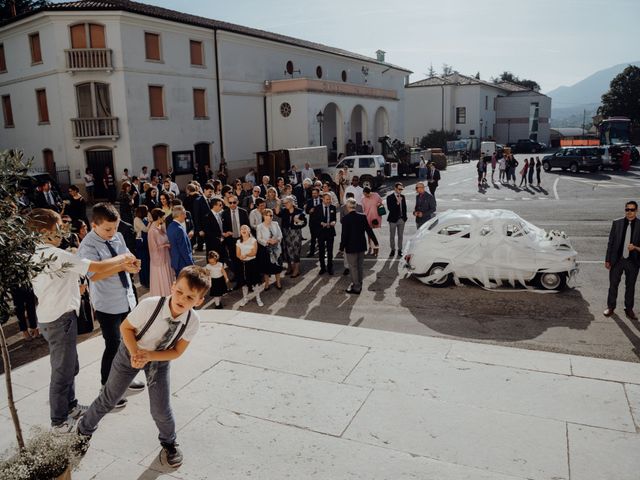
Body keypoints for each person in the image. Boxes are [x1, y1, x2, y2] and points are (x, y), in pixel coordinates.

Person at [77, 266, 211, 467]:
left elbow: (177, 351)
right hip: (130, 351)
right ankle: (83, 431)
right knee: (109, 398)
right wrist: (135, 353)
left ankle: (169, 442)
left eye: (190, 298)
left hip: (159, 359)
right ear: (172, 286)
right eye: (179, 291)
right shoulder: (150, 305)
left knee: (160, 408)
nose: (182, 299)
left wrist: (150, 356)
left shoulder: (192, 321)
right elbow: (126, 328)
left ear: (199, 301)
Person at [29, 208, 138, 432]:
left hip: (56, 317)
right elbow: (95, 269)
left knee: (70, 366)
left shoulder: (39, 254)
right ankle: (58, 420)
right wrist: (122, 259)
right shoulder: (55, 255)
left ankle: (70, 406)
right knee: (62, 371)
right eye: (58, 228)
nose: (62, 232)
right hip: (59, 318)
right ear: (43, 232)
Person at [77, 203, 143, 408]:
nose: (112, 232)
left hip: (127, 297)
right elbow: (94, 275)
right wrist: (120, 264)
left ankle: (126, 379)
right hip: (107, 304)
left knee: (129, 343)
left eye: (115, 228)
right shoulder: (87, 246)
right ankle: (106, 387)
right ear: (93, 224)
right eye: (107, 229)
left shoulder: (118, 236)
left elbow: (127, 258)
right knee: (113, 345)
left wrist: (133, 266)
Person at [604, 201, 640, 320]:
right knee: (613, 285)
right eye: (627, 209)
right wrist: (607, 259)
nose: (629, 212)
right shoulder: (617, 223)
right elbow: (611, 242)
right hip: (617, 261)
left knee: (630, 286)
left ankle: (628, 309)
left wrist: (635, 247)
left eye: (632, 209)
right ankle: (611, 307)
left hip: (633, 262)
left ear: (636, 210)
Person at [340, 198, 378, 294]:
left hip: (351, 246)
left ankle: (356, 287)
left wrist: (341, 247)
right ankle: (359, 283)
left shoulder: (345, 219)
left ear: (348, 207)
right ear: (355, 206)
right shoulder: (362, 217)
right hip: (361, 245)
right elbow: (369, 230)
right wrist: (375, 241)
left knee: (353, 267)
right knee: (360, 266)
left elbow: (344, 235)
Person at [222, 195, 250, 279]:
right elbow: (224, 227)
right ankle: (238, 276)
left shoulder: (243, 212)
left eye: (234, 202)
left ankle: (247, 276)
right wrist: (226, 233)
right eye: (230, 203)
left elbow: (247, 226)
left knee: (245, 259)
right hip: (231, 240)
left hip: (242, 239)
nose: (232, 204)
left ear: (237, 202)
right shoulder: (225, 213)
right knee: (234, 259)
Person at [148, 208, 175, 297]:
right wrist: (165, 245)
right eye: (163, 217)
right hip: (159, 260)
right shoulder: (152, 231)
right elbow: (153, 248)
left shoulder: (160, 227)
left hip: (166, 256)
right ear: (159, 217)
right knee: (162, 279)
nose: (164, 218)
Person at [236, 225, 264, 307]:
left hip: (252, 264)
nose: (243, 230)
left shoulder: (253, 240)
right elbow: (237, 253)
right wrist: (240, 256)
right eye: (241, 229)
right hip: (242, 264)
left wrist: (245, 255)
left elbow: (254, 252)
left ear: (249, 231)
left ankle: (258, 298)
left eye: (245, 228)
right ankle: (245, 298)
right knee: (244, 283)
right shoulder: (238, 241)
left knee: (255, 283)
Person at [279, 196, 306, 277]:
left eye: (286, 203)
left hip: (295, 233)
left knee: (296, 251)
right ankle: (289, 267)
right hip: (286, 232)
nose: (285, 204)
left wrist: (298, 222)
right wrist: (278, 203)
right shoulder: (284, 211)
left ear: (291, 202)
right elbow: (277, 213)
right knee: (287, 250)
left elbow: (304, 223)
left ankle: (296, 270)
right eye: (284, 203)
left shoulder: (299, 211)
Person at [257, 208, 284, 289]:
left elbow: (280, 235)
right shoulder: (260, 226)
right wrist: (267, 241)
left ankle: (278, 282)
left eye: (271, 215)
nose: (270, 217)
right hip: (266, 249)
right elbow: (259, 238)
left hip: (276, 249)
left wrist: (276, 240)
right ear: (264, 216)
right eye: (268, 215)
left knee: (277, 267)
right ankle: (267, 284)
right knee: (266, 268)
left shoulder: (275, 224)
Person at [167, 205, 195, 277]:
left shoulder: (170, 226)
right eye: (184, 214)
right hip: (183, 262)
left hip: (176, 261)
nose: (185, 216)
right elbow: (184, 249)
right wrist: (191, 264)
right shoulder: (179, 229)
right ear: (180, 214)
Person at [315, 193, 337, 275]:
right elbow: (315, 219)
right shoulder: (317, 208)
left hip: (330, 231)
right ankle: (322, 267)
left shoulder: (333, 207)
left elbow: (334, 218)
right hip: (321, 232)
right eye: (327, 199)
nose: (329, 201)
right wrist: (321, 223)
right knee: (321, 251)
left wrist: (334, 222)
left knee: (330, 250)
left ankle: (330, 267)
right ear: (323, 199)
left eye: (330, 199)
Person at [387, 182, 407, 257]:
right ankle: (392, 249)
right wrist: (397, 202)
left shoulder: (403, 197)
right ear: (395, 188)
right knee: (392, 236)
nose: (400, 190)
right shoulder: (390, 197)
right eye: (399, 189)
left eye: (401, 189)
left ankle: (400, 250)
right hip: (393, 220)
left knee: (400, 235)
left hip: (401, 219)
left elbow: (405, 208)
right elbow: (390, 209)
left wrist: (405, 218)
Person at [361, 187, 382, 256]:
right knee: (369, 235)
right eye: (364, 194)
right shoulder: (363, 199)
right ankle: (370, 246)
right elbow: (362, 209)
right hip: (367, 219)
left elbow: (381, 202)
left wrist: (379, 204)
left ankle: (376, 250)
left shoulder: (376, 195)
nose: (365, 196)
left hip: (376, 218)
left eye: (366, 194)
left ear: (369, 192)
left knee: (376, 234)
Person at [133, 205, 150, 288]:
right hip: (141, 243)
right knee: (143, 262)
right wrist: (150, 222)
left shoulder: (144, 219)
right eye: (146, 210)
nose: (147, 212)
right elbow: (145, 229)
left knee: (147, 262)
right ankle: (144, 281)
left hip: (146, 242)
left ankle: (147, 280)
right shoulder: (137, 219)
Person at [305, 188, 323, 257]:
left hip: (321, 222)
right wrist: (309, 211)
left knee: (321, 239)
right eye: (313, 193)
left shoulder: (322, 200)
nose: (314, 195)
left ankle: (322, 253)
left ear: (318, 194)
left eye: (315, 193)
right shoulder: (309, 201)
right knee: (313, 238)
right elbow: (306, 211)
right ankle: (311, 252)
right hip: (312, 223)